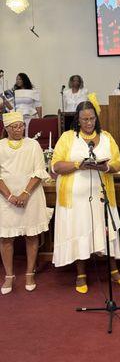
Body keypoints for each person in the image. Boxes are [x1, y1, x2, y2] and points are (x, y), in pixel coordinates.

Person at [51, 100, 120, 293]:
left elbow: (118, 162)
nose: (88, 123)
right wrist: (79, 164)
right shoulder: (67, 137)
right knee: (80, 231)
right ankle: (81, 274)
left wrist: (107, 167)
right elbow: (56, 166)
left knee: (107, 231)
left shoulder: (106, 137)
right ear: (77, 120)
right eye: (84, 119)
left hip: (101, 194)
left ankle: (114, 271)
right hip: (75, 199)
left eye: (92, 118)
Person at [0, 111, 52, 295]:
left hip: (30, 196)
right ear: (6, 128)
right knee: (6, 238)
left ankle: (30, 273)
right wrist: (10, 196)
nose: (19, 129)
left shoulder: (33, 145)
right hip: (6, 199)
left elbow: (39, 171)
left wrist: (24, 193)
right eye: (14, 126)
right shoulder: (0, 146)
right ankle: (9, 276)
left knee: (31, 235)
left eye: (21, 125)